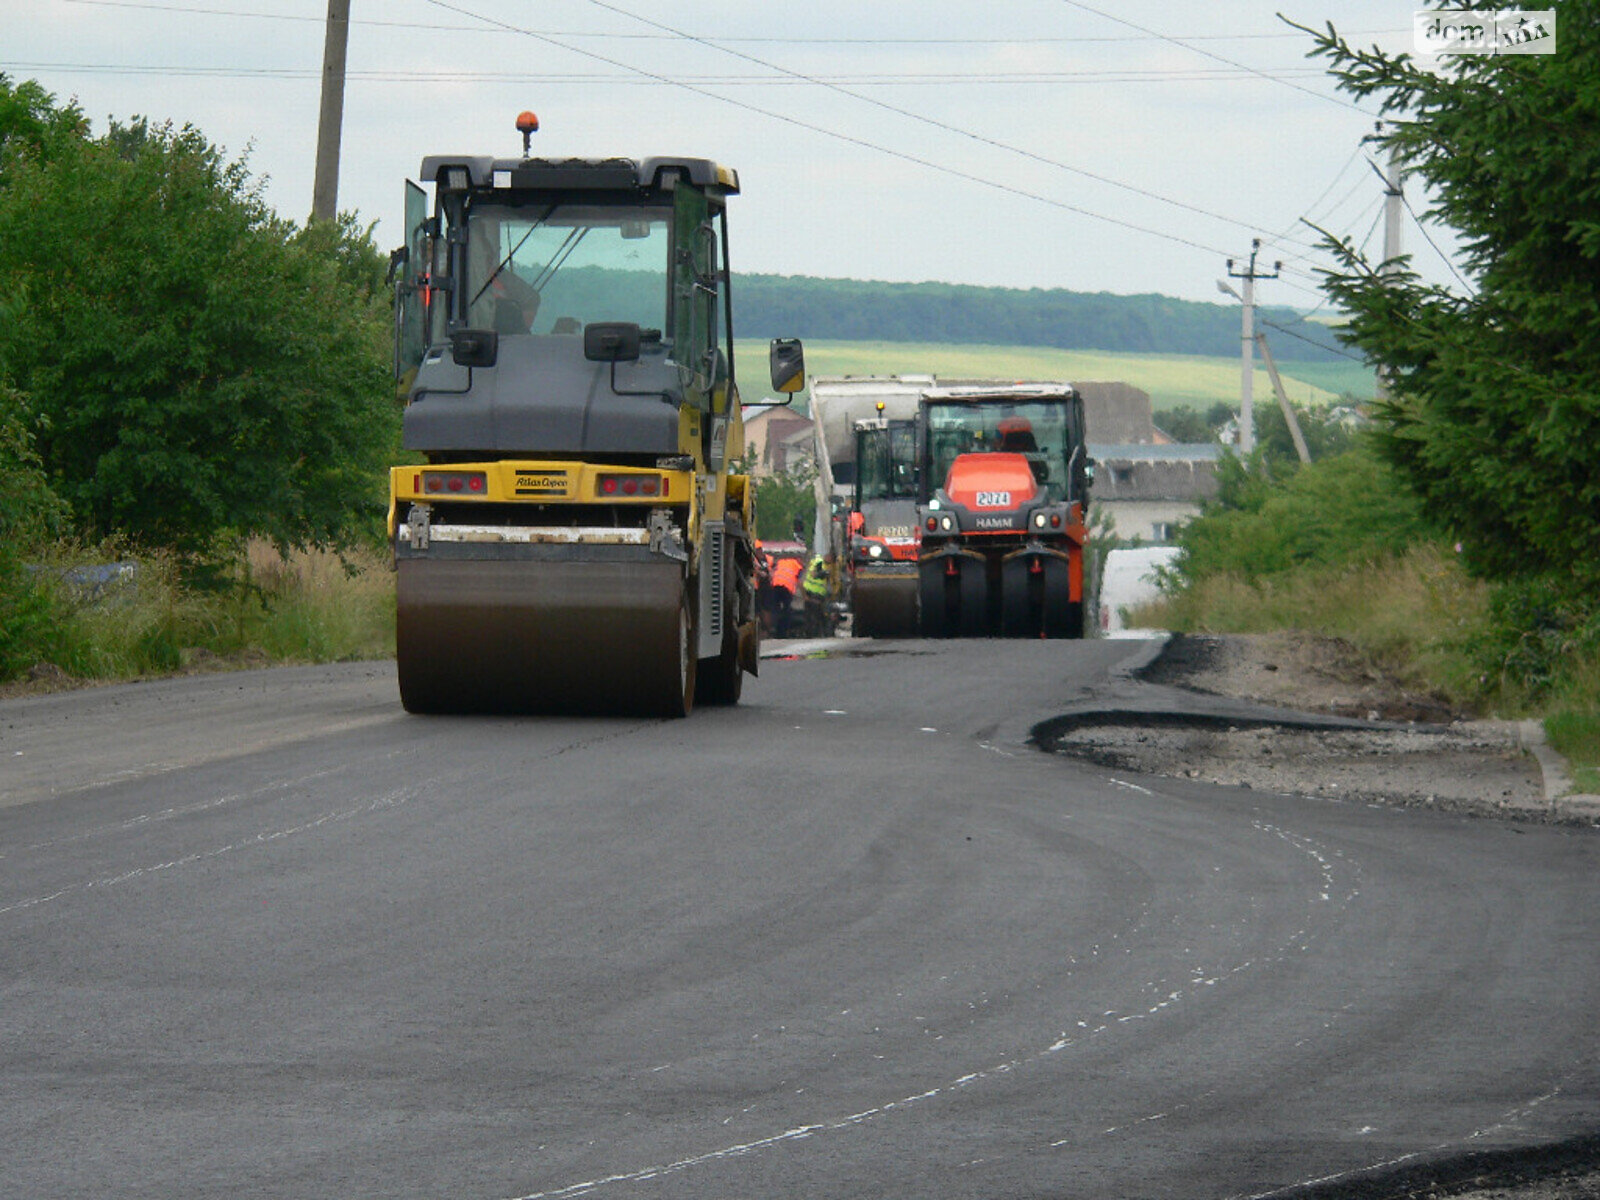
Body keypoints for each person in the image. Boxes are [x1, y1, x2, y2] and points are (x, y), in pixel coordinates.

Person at [768, 553, 802, 637]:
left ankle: (773, 628)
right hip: (786, 589)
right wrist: (804, 596)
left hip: (775, 586)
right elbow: (799, 583)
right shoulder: (798, 566)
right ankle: (783, 631)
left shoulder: (781, 561)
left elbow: (772, 573)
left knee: (775, 608)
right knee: (787, 610)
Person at [801, 554, 831, 636]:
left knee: (810, 618)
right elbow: (814, 574)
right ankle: (813, 635)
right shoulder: (819, 562)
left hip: (810, 593)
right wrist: (823, 574)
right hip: (814, 594)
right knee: (815, 617)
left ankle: (810, 634)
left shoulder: (816, 560)